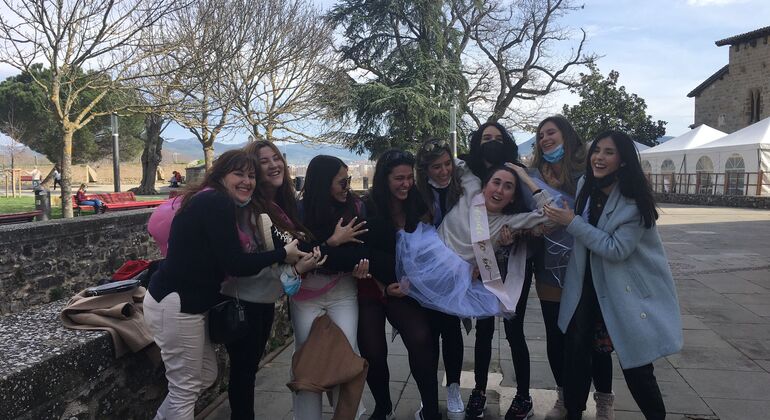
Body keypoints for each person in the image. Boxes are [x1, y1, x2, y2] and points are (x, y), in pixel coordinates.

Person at [142, 149, 307, 420]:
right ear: (220, 176)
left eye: (251, 176)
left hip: (186, 304)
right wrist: (282, 254)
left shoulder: (214, 200)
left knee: (205, 375)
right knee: (185, 389)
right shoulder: (216, 201)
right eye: (239, 174)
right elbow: (235, 264)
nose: (247, 181)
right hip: (177, 304)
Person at [543, 130, 683, 420]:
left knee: (637, 365)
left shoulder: (634, 201)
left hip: (624, 289)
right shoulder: (585, 184)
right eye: (596, 151)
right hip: (586, 284)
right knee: (576, 354)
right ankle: (573, 412)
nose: (599, 157)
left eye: (609, 152)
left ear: (623, 160)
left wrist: (571, 222)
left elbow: (616, 249)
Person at [220, 140, 317, 420]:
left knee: (248, 369)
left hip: (263, 298)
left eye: (276, 158)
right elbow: (249, 259)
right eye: (264, 161)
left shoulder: (279, 205)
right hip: (243, 298)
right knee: (243, 372)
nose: (274, 165)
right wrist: (293, 265)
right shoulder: (247, 208)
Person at [529, 116, 614, 420]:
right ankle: (564, 397)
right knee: (556, 336)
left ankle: (604, 400)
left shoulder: (588, 173)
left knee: (593, 338)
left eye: (551, 132)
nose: (545, 139)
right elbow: (527, 215)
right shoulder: (533, 175)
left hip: (586, 267)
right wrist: (534, 227)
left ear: (566, 135)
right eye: (540, 135)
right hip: (549, 267)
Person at [458, 122, 539, 420]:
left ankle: (524, 396)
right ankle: (479, 391)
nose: (491, 142)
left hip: (514, 262)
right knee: (484, 330)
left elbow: (536, 218)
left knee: (515, 331)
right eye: (486, 137)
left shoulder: (517, 172)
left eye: (497, 137)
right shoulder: (472, 176)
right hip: (482, 264)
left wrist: (517, 235)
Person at [398, 165, 552, 318]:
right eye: (496, 182)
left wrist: (524, 177)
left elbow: (552, 215)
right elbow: (453, 162)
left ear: (512, 198)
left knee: (446, 329)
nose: (499, 190)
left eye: (508, 186)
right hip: (424, 263)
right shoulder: (472, 189)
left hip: (454, 284)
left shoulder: (508, 223)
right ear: (484, 186)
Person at [357, 149, 440, 420]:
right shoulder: (367, 207)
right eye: (399, 178)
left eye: (409, 177)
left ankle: (430, 408)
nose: (406, 184)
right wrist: (382, 286)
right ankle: (383, 408)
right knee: (372, 350)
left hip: (406, 288)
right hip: (372, 285)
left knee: (420, 337)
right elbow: (361, 252)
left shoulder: (418, 205)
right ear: (385, 179)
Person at [291, 154, 370, 419]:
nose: (347, 187)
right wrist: (333, 243)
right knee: (307, 361)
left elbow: (359, 252)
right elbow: (298, 256)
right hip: (305, 296)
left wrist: (324, 253)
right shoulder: (300, 212)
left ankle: (348, 415)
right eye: (342, 182)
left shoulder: (355, 207)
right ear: (323, 183)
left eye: (349, 180)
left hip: (343, 291)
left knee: (346, 357)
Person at [414, 138, 466, 419]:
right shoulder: (417, 195)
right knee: (429, 335)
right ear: (425, 170)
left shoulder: (462, 190)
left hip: (455, 271)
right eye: (437, 167)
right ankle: (429, 395)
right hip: (426, 274)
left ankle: (454, 388)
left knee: (452, 332)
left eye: (448, 164)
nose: (444, 171)